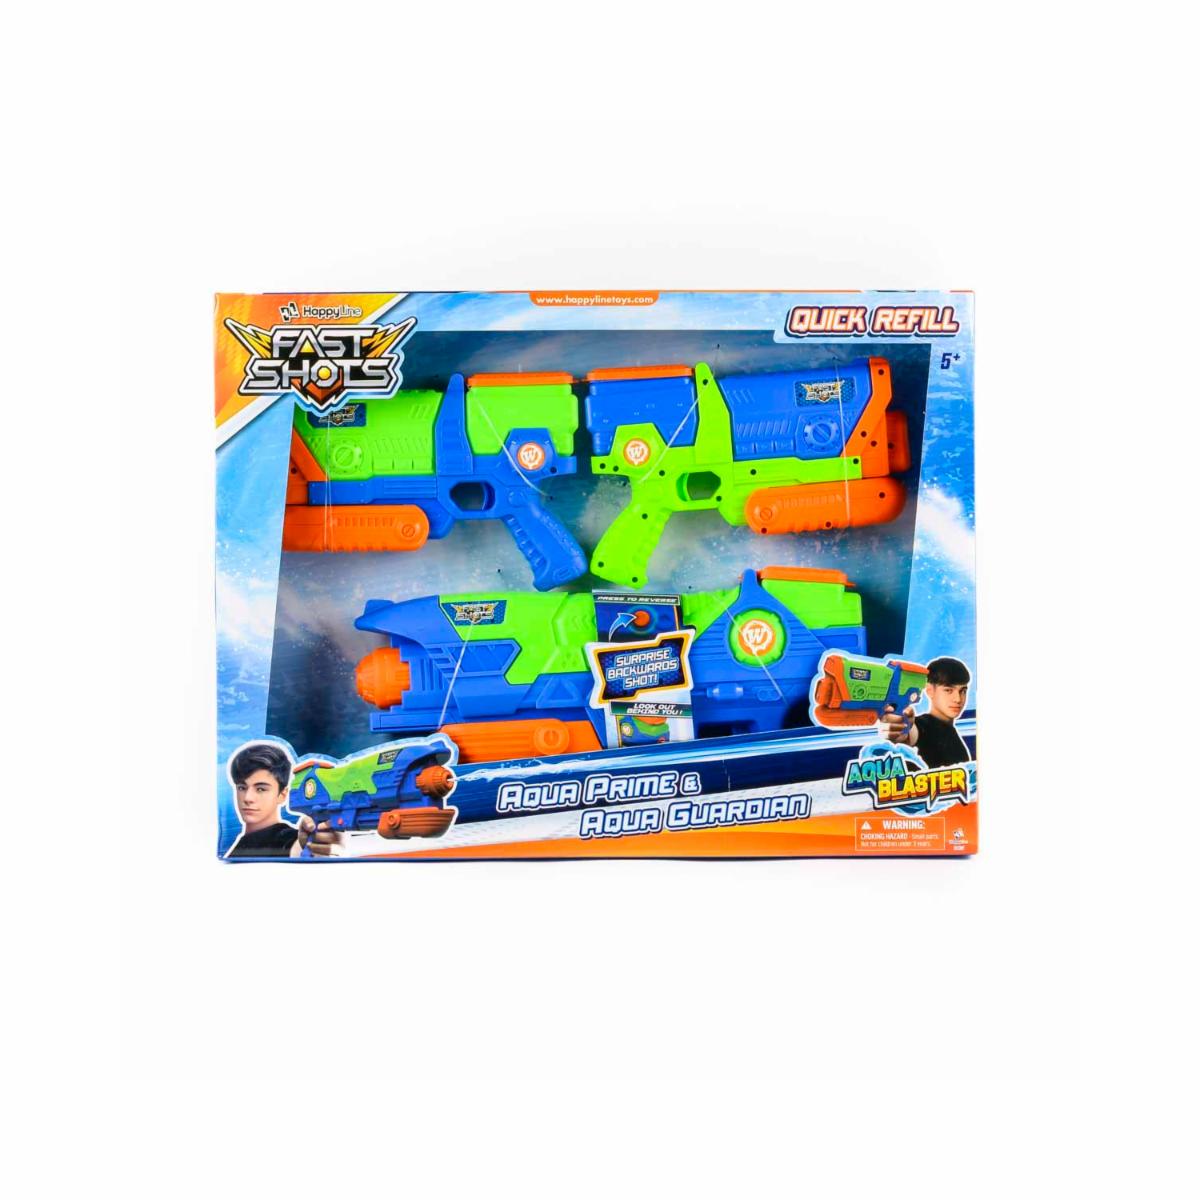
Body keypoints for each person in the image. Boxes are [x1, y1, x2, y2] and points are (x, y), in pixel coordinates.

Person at [225, 742, 341, 858]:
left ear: (282, 795)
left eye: (261, 789)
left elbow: (295, 847)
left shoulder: (285, 839)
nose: (248, 798)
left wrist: (304, 846)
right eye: (242, 788)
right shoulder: (243, 843)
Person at [880, 657, 972, 768]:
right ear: (929, 690)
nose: (958, 699)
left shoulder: (952, 733)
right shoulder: (924, 724)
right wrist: (903, 730)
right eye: (948, 690)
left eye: (963, 691)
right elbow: (911, 733)